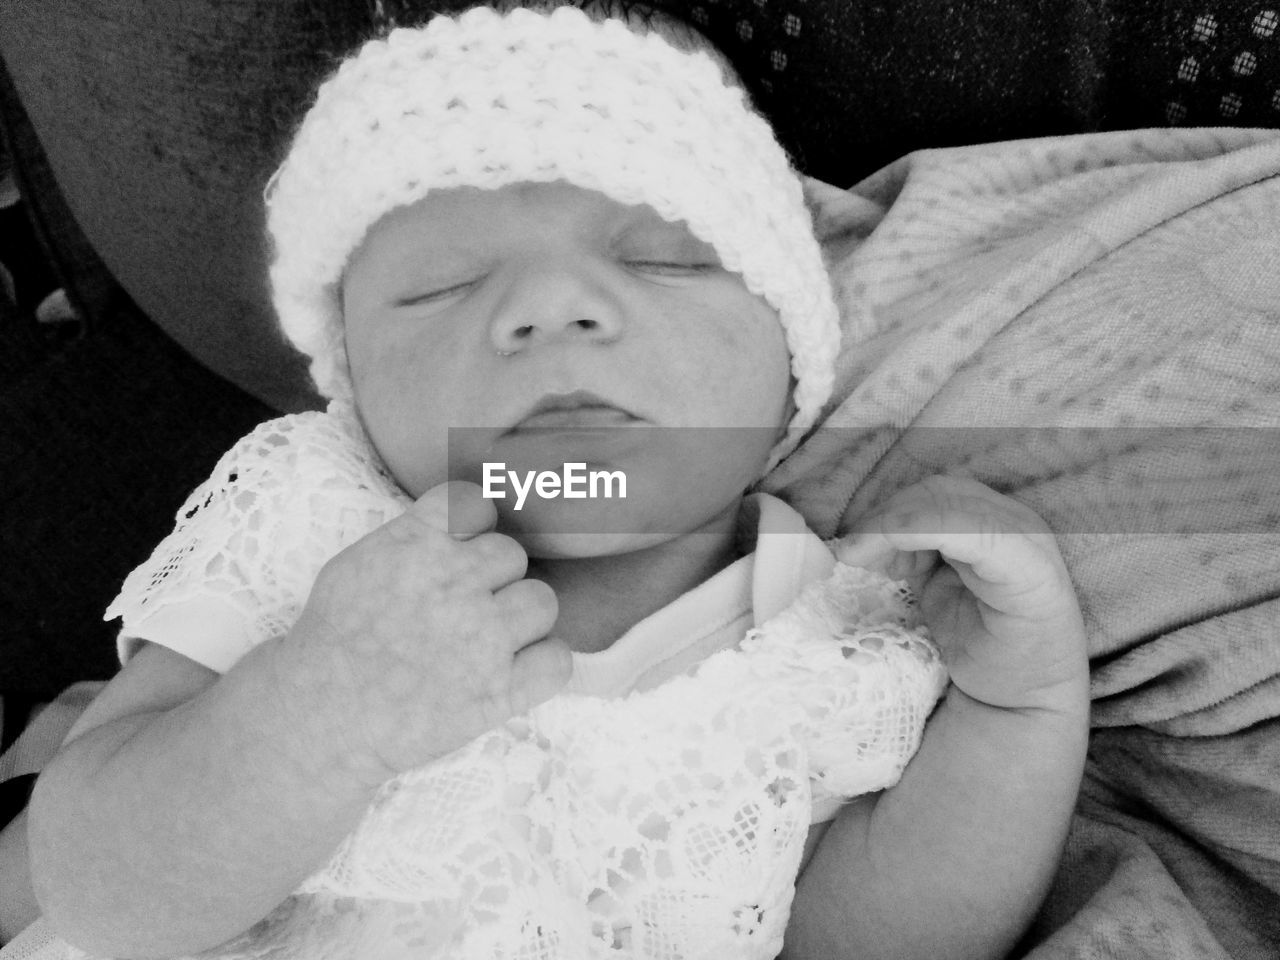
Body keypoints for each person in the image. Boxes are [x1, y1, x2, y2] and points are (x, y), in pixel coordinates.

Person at [13, 3, 1090, 958]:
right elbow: (98, 889)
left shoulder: (832, 629)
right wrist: (317, 707)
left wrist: (1017, 707)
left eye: (661, 258)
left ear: (789, 363)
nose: (549, 306)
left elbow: (854, 936)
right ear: (353, 386)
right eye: (445, 284)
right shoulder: (312, 521)